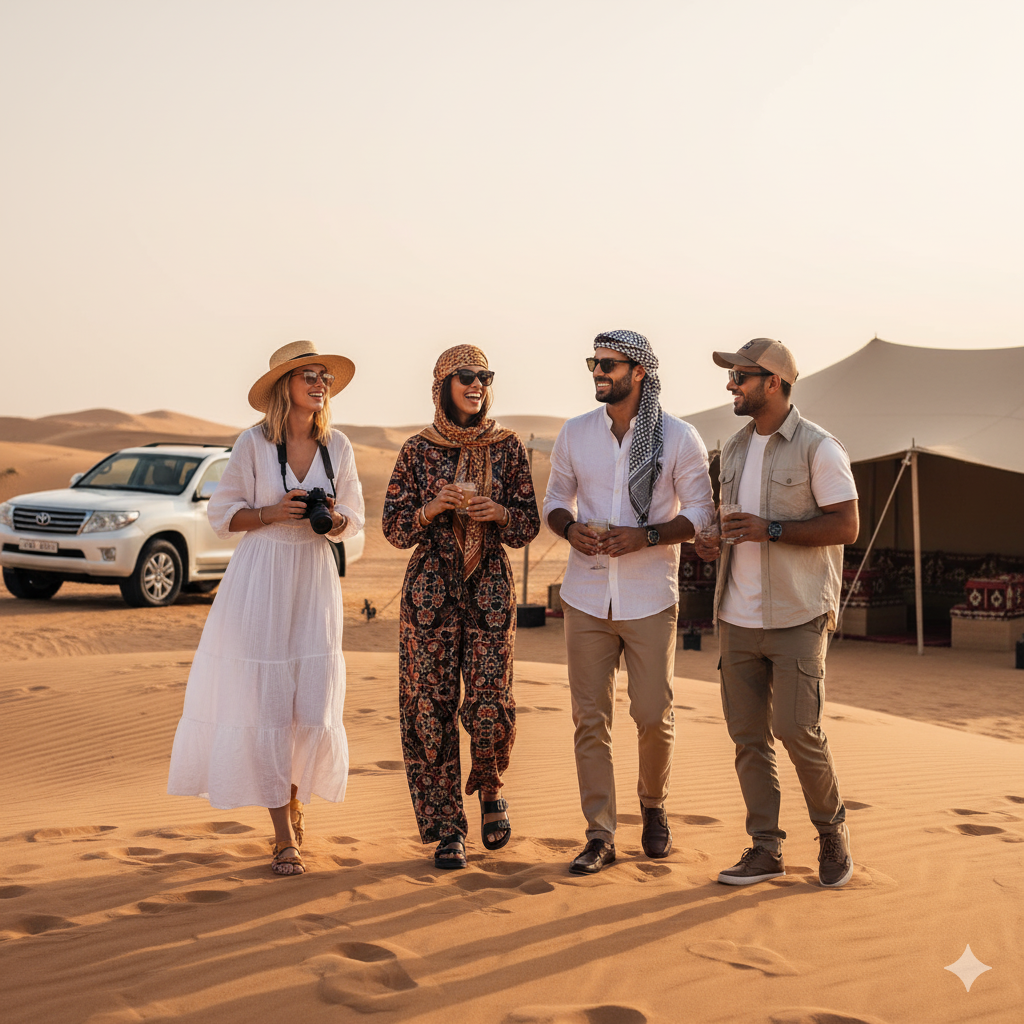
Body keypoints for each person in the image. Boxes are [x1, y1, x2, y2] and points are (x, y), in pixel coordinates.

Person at [168, 340, 365, 877]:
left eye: (325, 376)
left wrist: (333, 520)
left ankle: (295, 801)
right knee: (268, 705)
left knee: (309, 705)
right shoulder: (253, 444)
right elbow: (222, 515)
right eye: (309, 375)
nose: (320, 383)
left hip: (313, 578)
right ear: (286, 386)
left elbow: (356, 517)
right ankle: (283, 837)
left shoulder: (338, 446)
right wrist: (272, 512)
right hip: (261, 579)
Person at [543, 330, 714, 874]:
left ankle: (654, 806)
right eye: (593, 362)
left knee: (651, 714)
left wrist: (650, 536)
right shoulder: (575, 433)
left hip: (649, 596)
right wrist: (569, 529)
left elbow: (702, 514)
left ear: (639, 372)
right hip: (586, 594)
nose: (598, 371)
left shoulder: (679, 437)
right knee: (589, 720)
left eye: (609, 364)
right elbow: (553, 501)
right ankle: (599, 833)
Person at [694, 337, 859, 888]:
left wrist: (774, 530)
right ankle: (766, 849)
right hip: (736, 616)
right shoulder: (735, 448)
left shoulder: (819, 448)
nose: (730, 385)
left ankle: (832, 831)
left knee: (797, 729)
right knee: (748, 739)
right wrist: (714, 540)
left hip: (797, 614)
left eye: (740, 376)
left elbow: (846, 526)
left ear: (773, 382)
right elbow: (730, 522)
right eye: (732, 376)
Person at [382, 345, 540, 870]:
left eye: (485, 376)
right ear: (442, 385)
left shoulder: (508, 447)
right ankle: (449, 826)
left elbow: (527, 525)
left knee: (492, 698)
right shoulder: (416, 450)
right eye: (466, 376)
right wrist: (433, 508)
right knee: (430, 704)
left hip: (490, 588)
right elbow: (394, 528)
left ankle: (491, 786)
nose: (477, 384)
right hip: (430, 592)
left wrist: (497, 511)